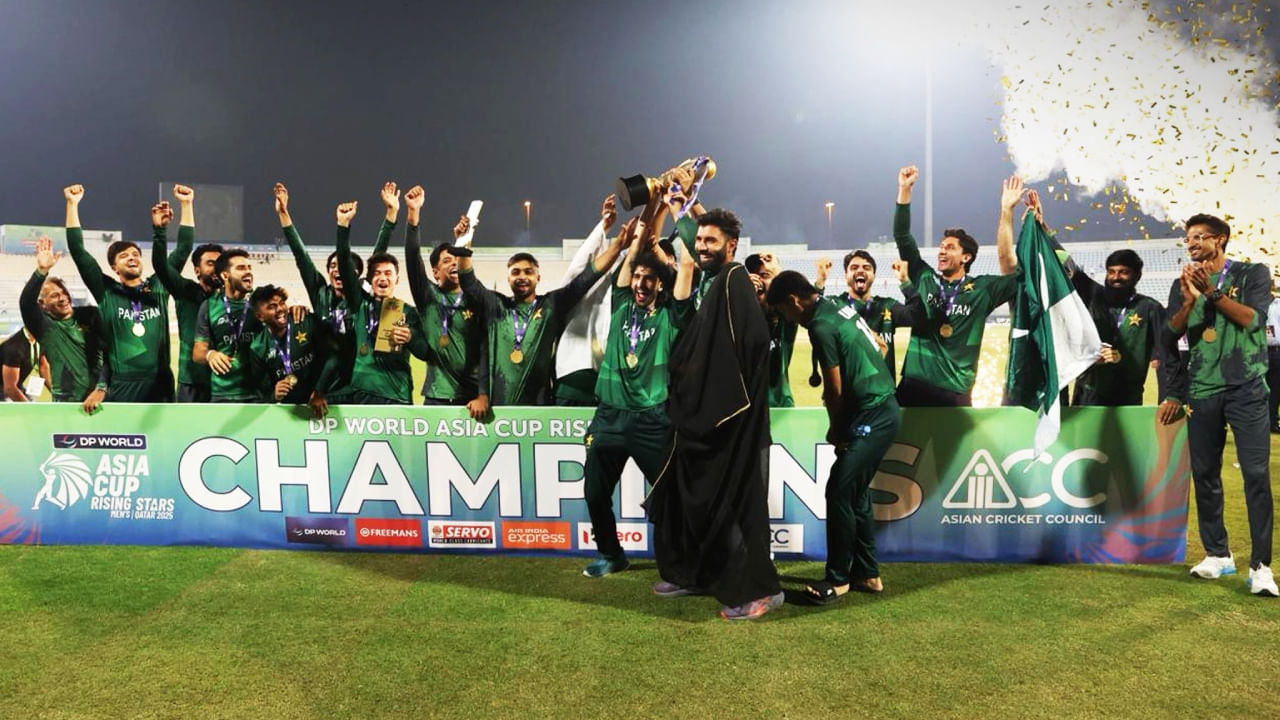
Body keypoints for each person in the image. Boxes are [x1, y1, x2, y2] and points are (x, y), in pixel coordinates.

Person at [644, 208, 783, 621]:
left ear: (731, 245)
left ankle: (762, 590)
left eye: (711, 241)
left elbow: (752, 344)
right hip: (700, 418)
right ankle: (692, 574)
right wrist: (680, 205)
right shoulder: (716, 280)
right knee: (685, 499)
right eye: (699, 240)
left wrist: (720, 401)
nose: (702, 247)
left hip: (730, 421)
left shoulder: (735, 278)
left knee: (740, 506)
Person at [767, 270, 901, 602]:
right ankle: (868, 574)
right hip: (881, 408)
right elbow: (881, 345)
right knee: (855, 493)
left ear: (794, 301)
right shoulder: (837, 306)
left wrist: (837, 429)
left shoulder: (820, 325)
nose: (789, 320)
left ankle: (838, 579)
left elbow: (834, 388)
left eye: (784, 312)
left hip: (872, 415)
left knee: (839, 490)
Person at [1165, 213, 1277, 597]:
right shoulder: (1183, 282)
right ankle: (1217, 554)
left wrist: (1211, 292)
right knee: (1205, 473)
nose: (1192, 243)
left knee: (1256, 475)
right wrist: (1187, 301)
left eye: (1200, 237)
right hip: (1202, 388)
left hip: (1246, 387)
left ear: (1221, 239)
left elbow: (1252, 320)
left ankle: (1261, 567)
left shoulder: (1252, 274)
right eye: (1188, 238)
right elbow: (1170, 333)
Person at [581, 218, 694, 578]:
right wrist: (649, 215)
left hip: (652, 418)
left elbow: (687, 266)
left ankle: (681, 560)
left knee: (669, 496)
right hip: (609, 416)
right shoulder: (620, 303)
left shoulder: (672, 316)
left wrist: (679, 209)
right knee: (594, 492)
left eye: (650, 278)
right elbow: (630, 259)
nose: (641, 283)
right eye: (638, 277)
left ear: (661, 284)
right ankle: (611, 554)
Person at [455, 221, 627, 406]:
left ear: (538, 278)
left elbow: (587, 278)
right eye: (516, 272)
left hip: (539, 408)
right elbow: (468, 281)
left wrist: (617, 245)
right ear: (508, 279)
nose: (522, 277)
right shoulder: (496, 306)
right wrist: (464, 241)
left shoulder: (549, 305)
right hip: (498, 406)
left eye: (528, 272)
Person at [892, 167, 1019, 406]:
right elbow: (902, 234)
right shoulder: (924, 277)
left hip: (955, 391)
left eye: (950, 247)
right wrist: (904, 190)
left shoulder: (982, 289)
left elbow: (1017, 273)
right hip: (914, 386)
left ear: (966, 257)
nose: (942, 251)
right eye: (941, 247)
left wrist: (1007, 211)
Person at [276, 182, 397, 401]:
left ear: (357, 274)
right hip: (325, 380)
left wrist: (391, 214)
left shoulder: (361, 294)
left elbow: (379, 252)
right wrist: (284, 214)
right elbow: (301, 256)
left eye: (344, 266)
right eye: (333, 266)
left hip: (358, 378)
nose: (338, 270)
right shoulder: (320, 293)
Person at [65, 185, 175, 412]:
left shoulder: (158, 287)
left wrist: (160, 230)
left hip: (160, 383)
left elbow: (180, 254)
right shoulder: (106, 291)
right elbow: (78, 252)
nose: (132, 258)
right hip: (123, 384)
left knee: (164, 435)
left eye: (136, 254)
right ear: (114, 267)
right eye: (124, 256)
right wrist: (72, 204)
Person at [402, 185, 489, 418]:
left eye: (456, 260)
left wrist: (463, 240)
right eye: (446, 261)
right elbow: (412, 258)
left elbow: (486, 350)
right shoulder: (428, 297)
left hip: (473, 399)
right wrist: (413, 215)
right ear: (435, 271)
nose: (453, 264)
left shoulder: (476, 298)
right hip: (436, 397)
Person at [334, 200, 428, 404]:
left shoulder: (408, 312)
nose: (382, 278)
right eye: (377, 273)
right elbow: (344, 263)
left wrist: (410, 337)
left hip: (397, 395)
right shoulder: (359, 304)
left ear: (397, 279)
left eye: (388, 273)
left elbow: (425, 353)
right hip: (361, 392)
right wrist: (343, 226)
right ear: (370, 279)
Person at [152, 184, 221, 402]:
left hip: (224, 383)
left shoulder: (232, 298)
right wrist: (186, 205)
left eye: (220, 263)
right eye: (210, 263)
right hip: (191, 383)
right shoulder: (186, 291)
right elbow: (161, 265)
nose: (216, 268)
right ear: (197, 270)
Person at [19, 235, 103, 403]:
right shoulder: (46, 326)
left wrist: (103, 387)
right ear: (42, 304)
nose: (63, 298)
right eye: (54, 295)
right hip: (66, 403)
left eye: (64, 292)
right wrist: (41, 271)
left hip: (102, 399)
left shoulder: (91, 315)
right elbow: (26, 303)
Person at [743, 252, 830, 408]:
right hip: (746, 407)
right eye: (753, 276)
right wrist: (742, 292)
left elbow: (808, 305)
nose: (758, 281)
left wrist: (775, 268)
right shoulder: (736, 317)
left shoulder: (786, 318)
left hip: (779, 404)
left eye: (764, 275)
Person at [242, 284, 331, 417]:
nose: (280, 309)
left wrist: (319, 391)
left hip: (321, 401)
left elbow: (332, 357)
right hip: (289, 412)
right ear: (260, 316)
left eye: (282, 303)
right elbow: (261, 391)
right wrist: (274, 395)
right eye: (271, 307)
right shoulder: (258, 348)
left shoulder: (305, 321)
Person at [828, 250, 917, 382]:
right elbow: (809, 314)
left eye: (866, 268)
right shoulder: (835, 305)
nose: (860, 270)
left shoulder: (888, 305)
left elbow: (917, 316)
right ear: (845, 275)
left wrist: (905, 282)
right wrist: (820, 282)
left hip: (883, 390)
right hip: (846, 390)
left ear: (874, 276)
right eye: (854, 267)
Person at [193, 248, 261, 402]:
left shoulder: (260, 302)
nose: (248, 272)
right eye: (241, 268)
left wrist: (296, 309)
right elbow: (198, 352)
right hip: (222, 393)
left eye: (249, 268)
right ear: (225, 275)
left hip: (258, 393)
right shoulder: (209, 306)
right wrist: (210, 355)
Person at [1, 326, 49, 402]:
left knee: (33, 401)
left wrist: (57, 392)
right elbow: (9, 388)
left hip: (17, 387)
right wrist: (28, 407)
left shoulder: (39, 341)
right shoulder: (15, 348)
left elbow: (43, 367)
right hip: (4, 391)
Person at [1265, 286, 1280, 433]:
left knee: (1275, 389)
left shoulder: (1278, 305)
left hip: (1276, 351)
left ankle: (1272, 421)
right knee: (1255, 389)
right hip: (1257, 351)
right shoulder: (1255, 301)